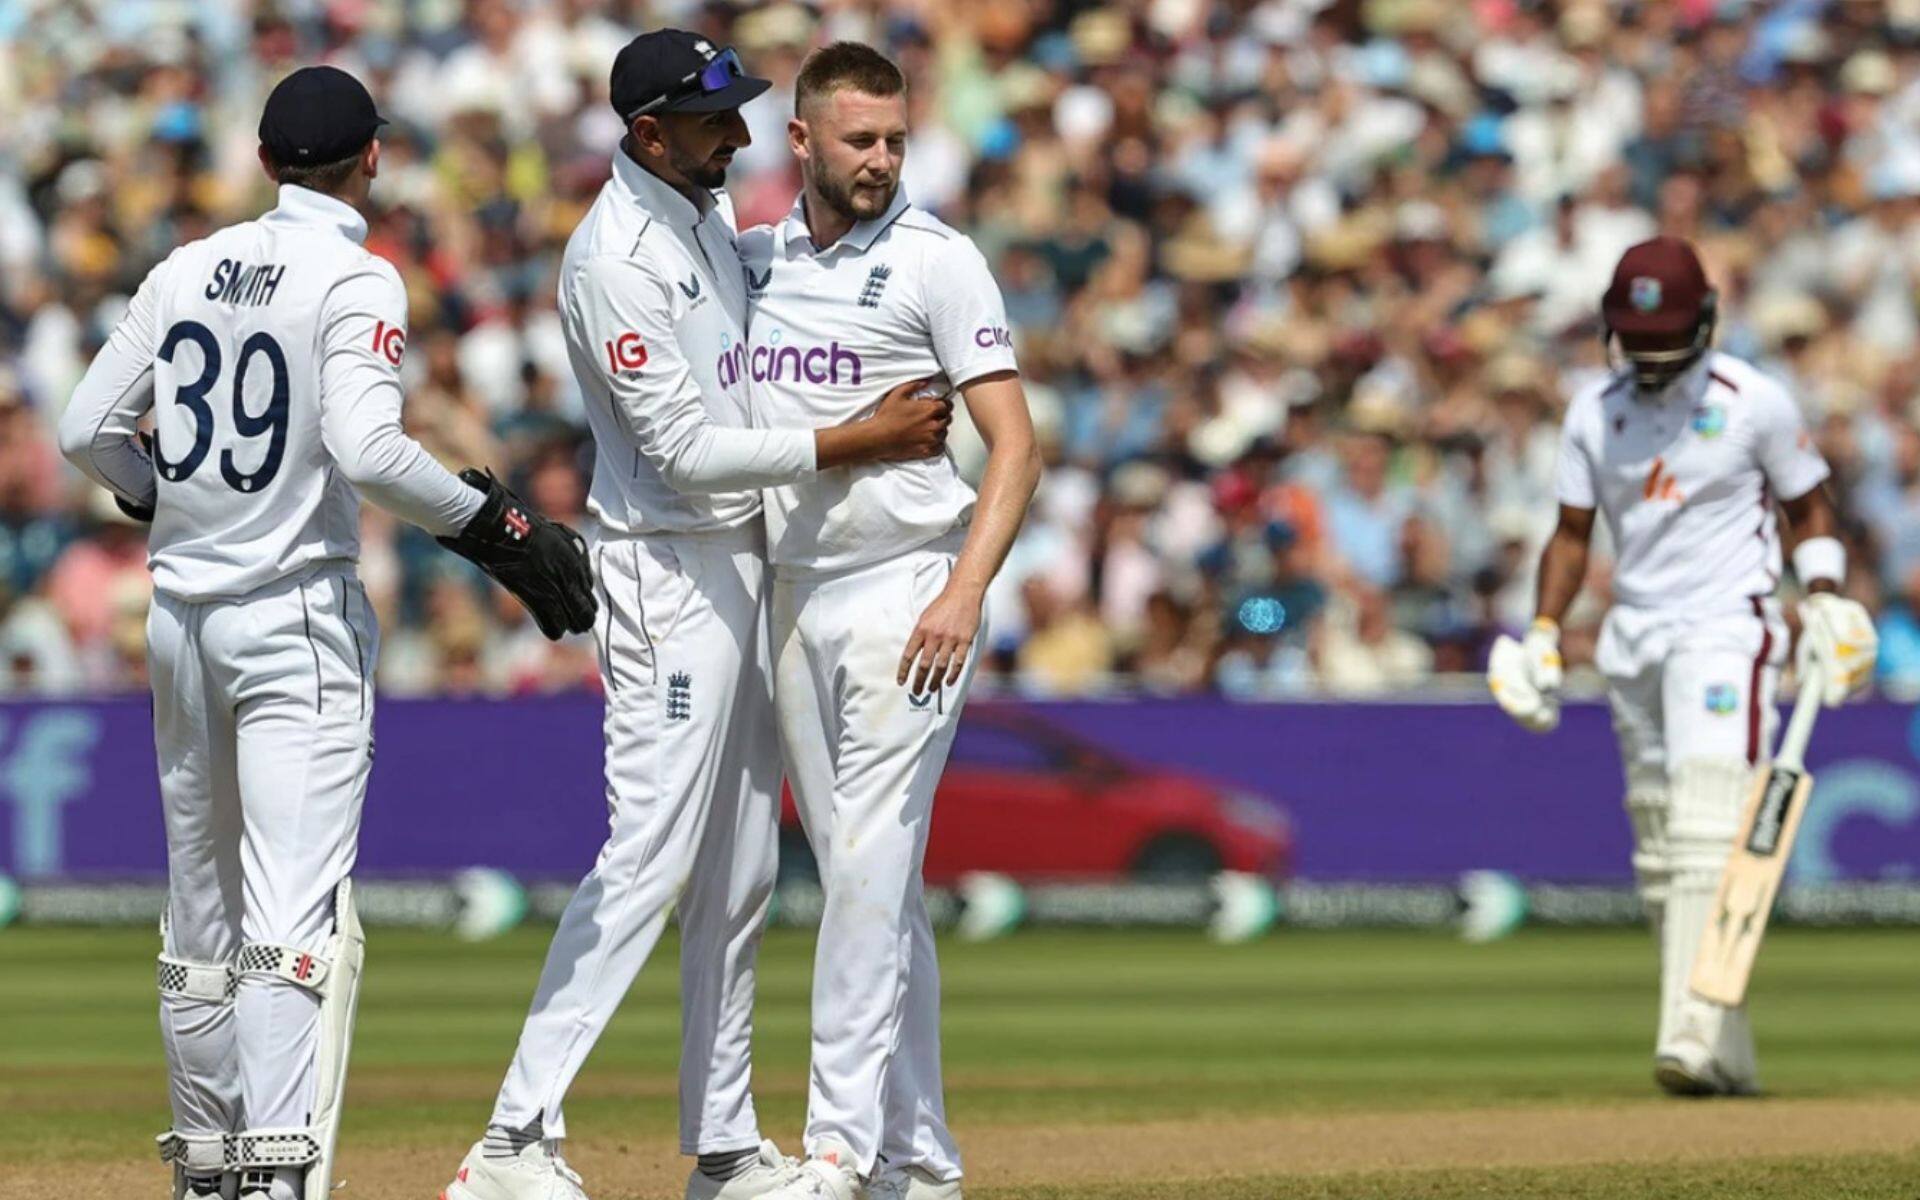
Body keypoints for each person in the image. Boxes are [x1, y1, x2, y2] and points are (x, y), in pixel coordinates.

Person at [56, 66, 596, 1200]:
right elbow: (368, 449)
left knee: (199, 918)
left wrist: (157, 497)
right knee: (290, 924)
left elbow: (85, 430)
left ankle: (207, 1172)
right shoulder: (357, 278)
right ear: (375, 160)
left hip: (182, 621)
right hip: (290, 617)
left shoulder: (185, 266)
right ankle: (274, 1181)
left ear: (262, 163)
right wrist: (498, 526)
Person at [441, 32, 952, 1200]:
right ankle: (510, 1142)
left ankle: (723, 1148)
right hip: (665, 572)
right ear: (646, 131)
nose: (738, 134)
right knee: (652, 856)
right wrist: (851, 440)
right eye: (712, 118)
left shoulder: (703, 218)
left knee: (734, 875)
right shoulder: (613, 256)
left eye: (737, 111)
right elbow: (680, 450)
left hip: (742, 570)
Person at [741, 43, 1041, 1200]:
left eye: (895, 140)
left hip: (907, 590)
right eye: (859, 140)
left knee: (865, 869)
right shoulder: (752, 260)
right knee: (880, 888)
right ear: (800, 143)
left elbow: (1015, 444)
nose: (880, 160)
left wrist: (963, 592)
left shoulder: (938, 261)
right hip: (791, 594)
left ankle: (836, 1149)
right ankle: (919, 1163)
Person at [1488, 236, 1879, 1096]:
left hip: (1725, 628)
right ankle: (1727, 1054)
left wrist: (1823, 596)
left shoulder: (1753, 402)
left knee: (1710, 819)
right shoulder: (1594, 410)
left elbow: (1809, 507)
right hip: (1634, 633)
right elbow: (1570, 532)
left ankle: (1690, 1032)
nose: (1651, 358)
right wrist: (1546, 631)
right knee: (1664, 839)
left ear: (1706, 322)